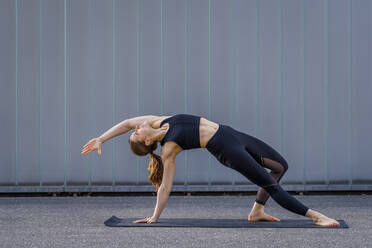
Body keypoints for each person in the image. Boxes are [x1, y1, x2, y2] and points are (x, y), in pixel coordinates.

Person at [81, 114, 340, 227]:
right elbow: (165, 186)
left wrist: (102, 139)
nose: (137, 128)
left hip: (231, 133)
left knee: (280, 166)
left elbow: (126, 123)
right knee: (271, 185)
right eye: (137, 134)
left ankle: (257, 211)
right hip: (225, 149)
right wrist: (155, 216)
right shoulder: (168, 149)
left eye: (136, 130)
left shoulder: (158, 120)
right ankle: (316, 216)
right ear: (147, 142)